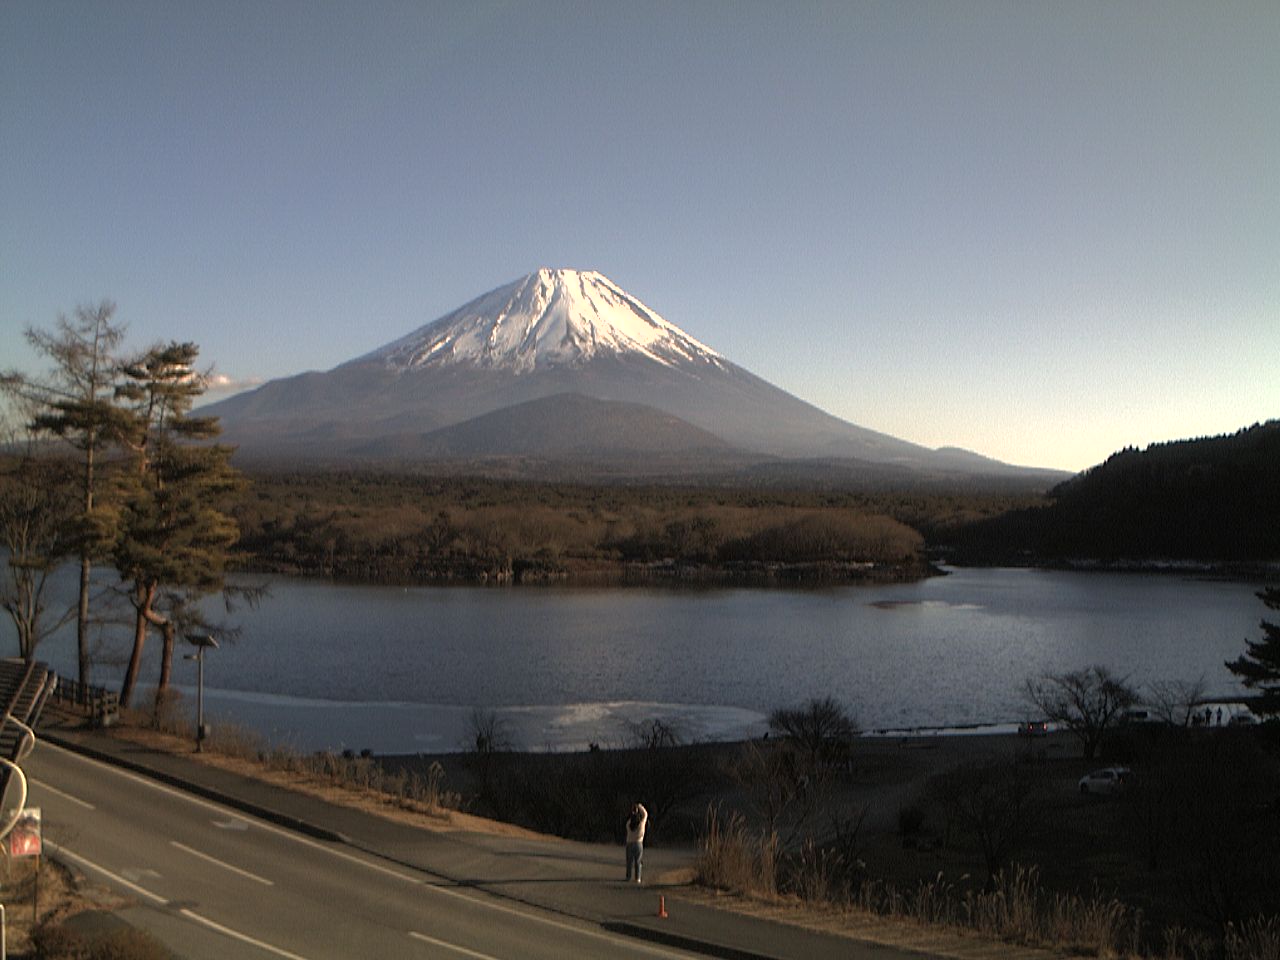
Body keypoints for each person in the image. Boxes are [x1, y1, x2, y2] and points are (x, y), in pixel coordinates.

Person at [624, 802, 648, 883]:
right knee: (638, 861)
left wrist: (633, 812)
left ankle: (628, 877)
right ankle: (637, 878)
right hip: (638, 843)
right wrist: (639, 806)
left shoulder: (628, 824)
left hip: (629, 842)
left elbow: (631, 818)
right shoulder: (641, 824)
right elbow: (645, 814)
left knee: (629, 861)